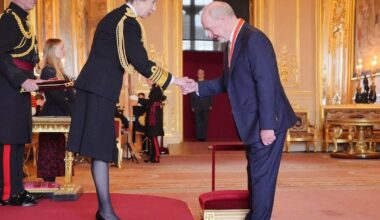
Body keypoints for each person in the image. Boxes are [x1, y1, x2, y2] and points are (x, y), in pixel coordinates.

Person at [66, 1, 187, 219]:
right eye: (153, 2)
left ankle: (105, 210)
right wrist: (175, 80)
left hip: (96, 88)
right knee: (101, 151)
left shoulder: (119, 17)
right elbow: (140, 61)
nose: (154, 8)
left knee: (100, 150)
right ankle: (106, 212)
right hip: (98, 89)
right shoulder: (127, 22)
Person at [182, 2, 297, 220]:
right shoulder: (232, 45)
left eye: (208, 28)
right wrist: (196, 87)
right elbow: (226, 83)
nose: (208, 34)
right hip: (253, 124)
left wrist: (267, 126)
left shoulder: (254, 39)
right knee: (255, 175)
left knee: (261, 180)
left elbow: (267, 84)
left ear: (222, 19)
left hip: (266, 124)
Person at [0, 0, 42, 207]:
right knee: (9, 141)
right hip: (8, 89)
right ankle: (7, 193)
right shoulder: (8, 20)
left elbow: (26, 58)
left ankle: (18, 189)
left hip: (20, 87)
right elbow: (1, 55)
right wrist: (22, 80)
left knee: (18, 140)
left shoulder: (22, 20)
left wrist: (32, 78)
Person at [37, 39, 74, 183]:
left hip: (61, 115)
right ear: (52, 51)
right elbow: (56, 96)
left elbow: (69, 94)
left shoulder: (61, 72)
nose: (64, 50)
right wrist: (73, 110)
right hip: (51, 116)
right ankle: (48, 183)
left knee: (57, 150)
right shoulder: (48, 71)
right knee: (50, 151)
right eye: (61, 48)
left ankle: (54, 184)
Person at [137, 80, 166, 162]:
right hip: (153, 115)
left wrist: (138, 99)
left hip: (154, 116)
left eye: (148, 79)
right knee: (152, 136)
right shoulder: (154, 88)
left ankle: (156, 157)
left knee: (153, 136)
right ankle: (153, 157)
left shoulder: (156, 89)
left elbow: (151, 102)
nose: (147, 81)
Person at [191, 68, 212, 141]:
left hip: (206, 105)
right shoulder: (194, 84)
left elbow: (210, 94)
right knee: (198, 122)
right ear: (197, 74)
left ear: (204, 74)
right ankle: (199, 137)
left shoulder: (207, 83)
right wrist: (192, 105)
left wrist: (210, 104)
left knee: (205, 121)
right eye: (199, 73)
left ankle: (204, 136)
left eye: (201, 73)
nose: (200, 74)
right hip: (197, 105)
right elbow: (192, 95)